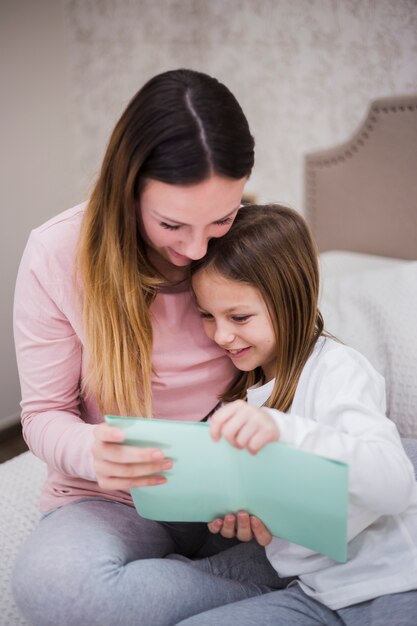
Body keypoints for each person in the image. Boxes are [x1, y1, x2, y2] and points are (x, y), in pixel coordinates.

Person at [12, 70, 284, 626]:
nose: (194, 248)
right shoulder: (56, 253)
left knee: (397, 471)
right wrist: (94, 451)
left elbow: (303, 368)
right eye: (171, 224)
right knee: (55, 589)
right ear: (128, 187)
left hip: (241, 490)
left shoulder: (252, 242)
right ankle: (281, 583)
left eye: (221, 219)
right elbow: (42, 416)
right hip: (115, 500)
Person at [174, 203, 417, 625]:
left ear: (290, 301)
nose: (222, 335)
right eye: (207, 316)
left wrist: (283, 430)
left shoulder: (337, 370)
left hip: (391, 583)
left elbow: (393, 485)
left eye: (239, 316)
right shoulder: (240, 395)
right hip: (314, 592)